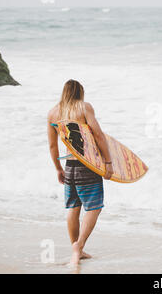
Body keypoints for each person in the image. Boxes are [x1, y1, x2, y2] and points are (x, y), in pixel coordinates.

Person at [47, 79, 113, 266]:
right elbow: (98, 135)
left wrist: (58, 169)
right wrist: (108, 162)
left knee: (73, 208)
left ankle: (77, 249)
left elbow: (52, 145)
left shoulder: (53, 113)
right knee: (94, 207)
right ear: (80, 93)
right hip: (88, 166)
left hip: (69, 166)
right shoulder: (84, 108)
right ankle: (79, 245)